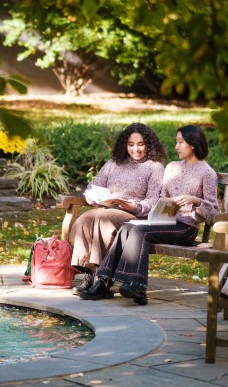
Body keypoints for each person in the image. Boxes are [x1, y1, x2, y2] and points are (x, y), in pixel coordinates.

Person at [79, 124, 219, 304]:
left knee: (139, 232)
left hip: (186, 227)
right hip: (165, 222)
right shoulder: (172, 168)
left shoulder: (207, 173)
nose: (176, 146)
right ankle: (104, 282)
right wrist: (156, 214)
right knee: (129, 227)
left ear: (193, 144)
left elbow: (212, 210)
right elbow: (162, 198)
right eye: (176, 142)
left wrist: (195, 200)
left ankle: (137, 285)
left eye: (180, 142)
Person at [70, 123, 166, 295]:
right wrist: (91, 196)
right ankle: (90, 274)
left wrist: (134, 206)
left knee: (102, 219)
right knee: (82, 221)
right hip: (107, 208)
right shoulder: (114, 163)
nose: (135, 149)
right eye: (131, 144)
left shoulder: (155, 167)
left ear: (149, 144)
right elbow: (94, 185)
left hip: (134, 215)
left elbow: (153, 201)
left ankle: (103, 279)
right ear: (125, 144)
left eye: (141, 144)